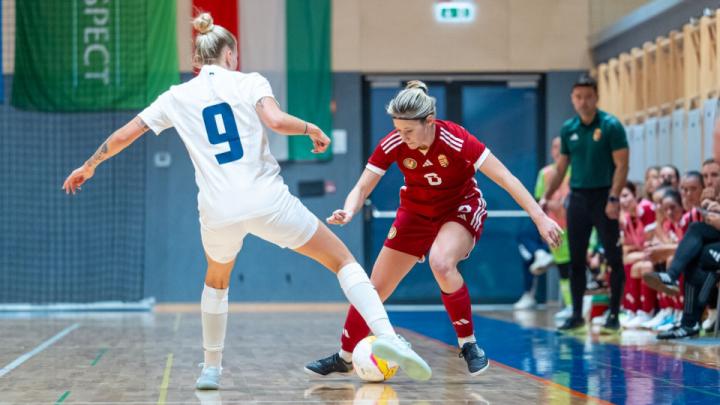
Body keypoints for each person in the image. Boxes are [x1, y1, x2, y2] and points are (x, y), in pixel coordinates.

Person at [62, 13, 432, 389]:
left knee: (217, 281)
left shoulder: (175, 96)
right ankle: (385, 336)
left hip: (218, 209)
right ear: (230, 55)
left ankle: (210, 370)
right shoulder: (248, 82)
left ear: (195, 59)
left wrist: (90, 164)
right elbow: (275, 120)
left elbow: (127, 134)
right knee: (342, 261)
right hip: (267, 201)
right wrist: (311, 128)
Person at [304, 81, 562, 377]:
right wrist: (349, 209)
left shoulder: (455, 138)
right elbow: (363, 185)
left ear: (430, 121)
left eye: (408, 131)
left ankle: (469, 345)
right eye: (398, 130)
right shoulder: (395, 142)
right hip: (415, 212)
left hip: (459, 208)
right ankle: (345, 357)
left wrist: (540, 218)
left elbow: (505, 177)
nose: (402, 137)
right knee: (374, 289)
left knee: (441, 262)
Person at [541, 75, 629, 333]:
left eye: (588, 96)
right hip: (577, 199)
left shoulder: (611, 126)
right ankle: (577, 315)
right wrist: (546, 196)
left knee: (613, 257)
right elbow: (561, 168)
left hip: (604, 197)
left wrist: (614, 197)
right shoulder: (569, 129)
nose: (583, 102)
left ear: (596, 97)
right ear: (572, 99)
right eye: (578, 97)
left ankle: (614, 314)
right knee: (576, 259)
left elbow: (622, 165)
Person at [514, 137, 571, 314]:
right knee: (525, 241)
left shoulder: (575, 172)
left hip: (572, 225)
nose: (557, 150)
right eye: (554, 147)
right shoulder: (545, 173)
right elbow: (539, 200)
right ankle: (540, 255)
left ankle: (573, 306)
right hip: (552, 225)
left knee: (569, 268)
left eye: (561, 147)